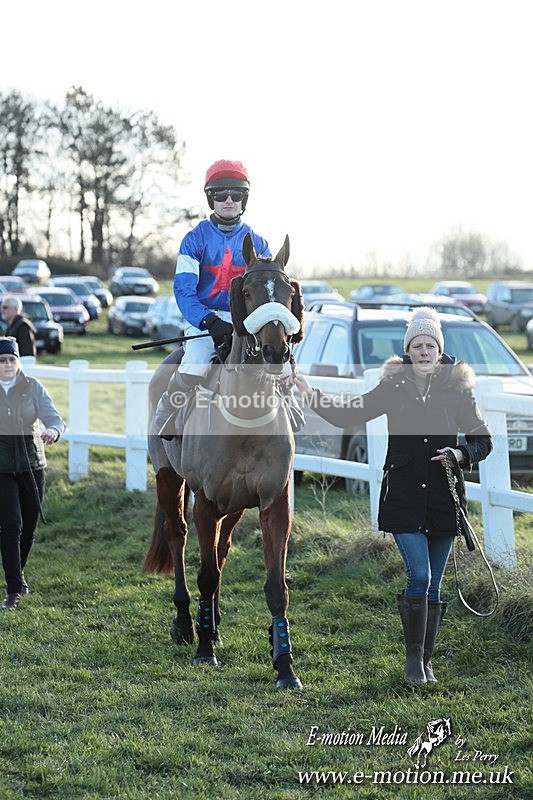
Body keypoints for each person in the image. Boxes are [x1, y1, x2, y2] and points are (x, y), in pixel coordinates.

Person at [291, 307, 492, 685]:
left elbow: (483, 440)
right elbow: (347, 412)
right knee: (420, 575)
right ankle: (413, 663)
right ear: (408, 350)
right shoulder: (393, 386)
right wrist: (309, 392)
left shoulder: (457, 388)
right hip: (402, 495)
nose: (424, 351)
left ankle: (426, 662)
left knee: (434, 584)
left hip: (443, 499)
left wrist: (461, 454)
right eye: (417, 345)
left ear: (439, 349)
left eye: (430, 344)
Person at [156, 159, 271, 435]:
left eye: (236, 194)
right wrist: (208, 321)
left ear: (245, 199)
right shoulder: (193, 240)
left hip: (246, 322)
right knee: (196, 362)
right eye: (221, 194)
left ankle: (290, 408)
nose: (229, 200)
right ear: (211, 199)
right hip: (204, 319)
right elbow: (184, 291)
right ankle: (166, 411)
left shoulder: (260, 243)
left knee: (277, 361)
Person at [0, 336, 66, 610]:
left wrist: (54, 431)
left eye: (11, 360)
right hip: (2, 469)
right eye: (2, 360)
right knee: (11, 525)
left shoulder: (32, 387)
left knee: (28, 527)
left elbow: (55, 418)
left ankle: (18, 574)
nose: (7, 365)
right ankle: (14, 588)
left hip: (32, 465)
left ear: (18, 361)